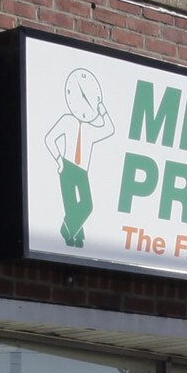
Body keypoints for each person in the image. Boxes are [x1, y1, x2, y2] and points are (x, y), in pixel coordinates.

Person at [44, 66, 114, 248]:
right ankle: (75, 238)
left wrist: (102, 110)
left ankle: (66, 230)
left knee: (86, 205)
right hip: (67, 166)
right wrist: (59, 160)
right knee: (70, 205)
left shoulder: (91, 129)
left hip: (82, 171)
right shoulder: (67, 120)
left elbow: (109, 129)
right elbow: (49, 138)